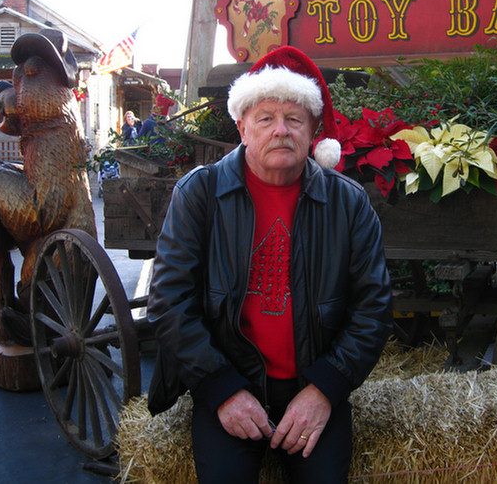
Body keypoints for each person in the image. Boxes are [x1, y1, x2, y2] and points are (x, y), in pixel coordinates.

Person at [146, 46, 393, 484]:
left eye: (294, 119)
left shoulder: (348, 204)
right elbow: (169, 302)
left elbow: (373, 308)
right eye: (265, 118)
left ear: (314, 130)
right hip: (227, 379)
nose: (281, 130)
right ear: (242, 127)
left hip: (312, 383)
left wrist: (325, 389)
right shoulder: (199, 195)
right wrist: (221, 390)